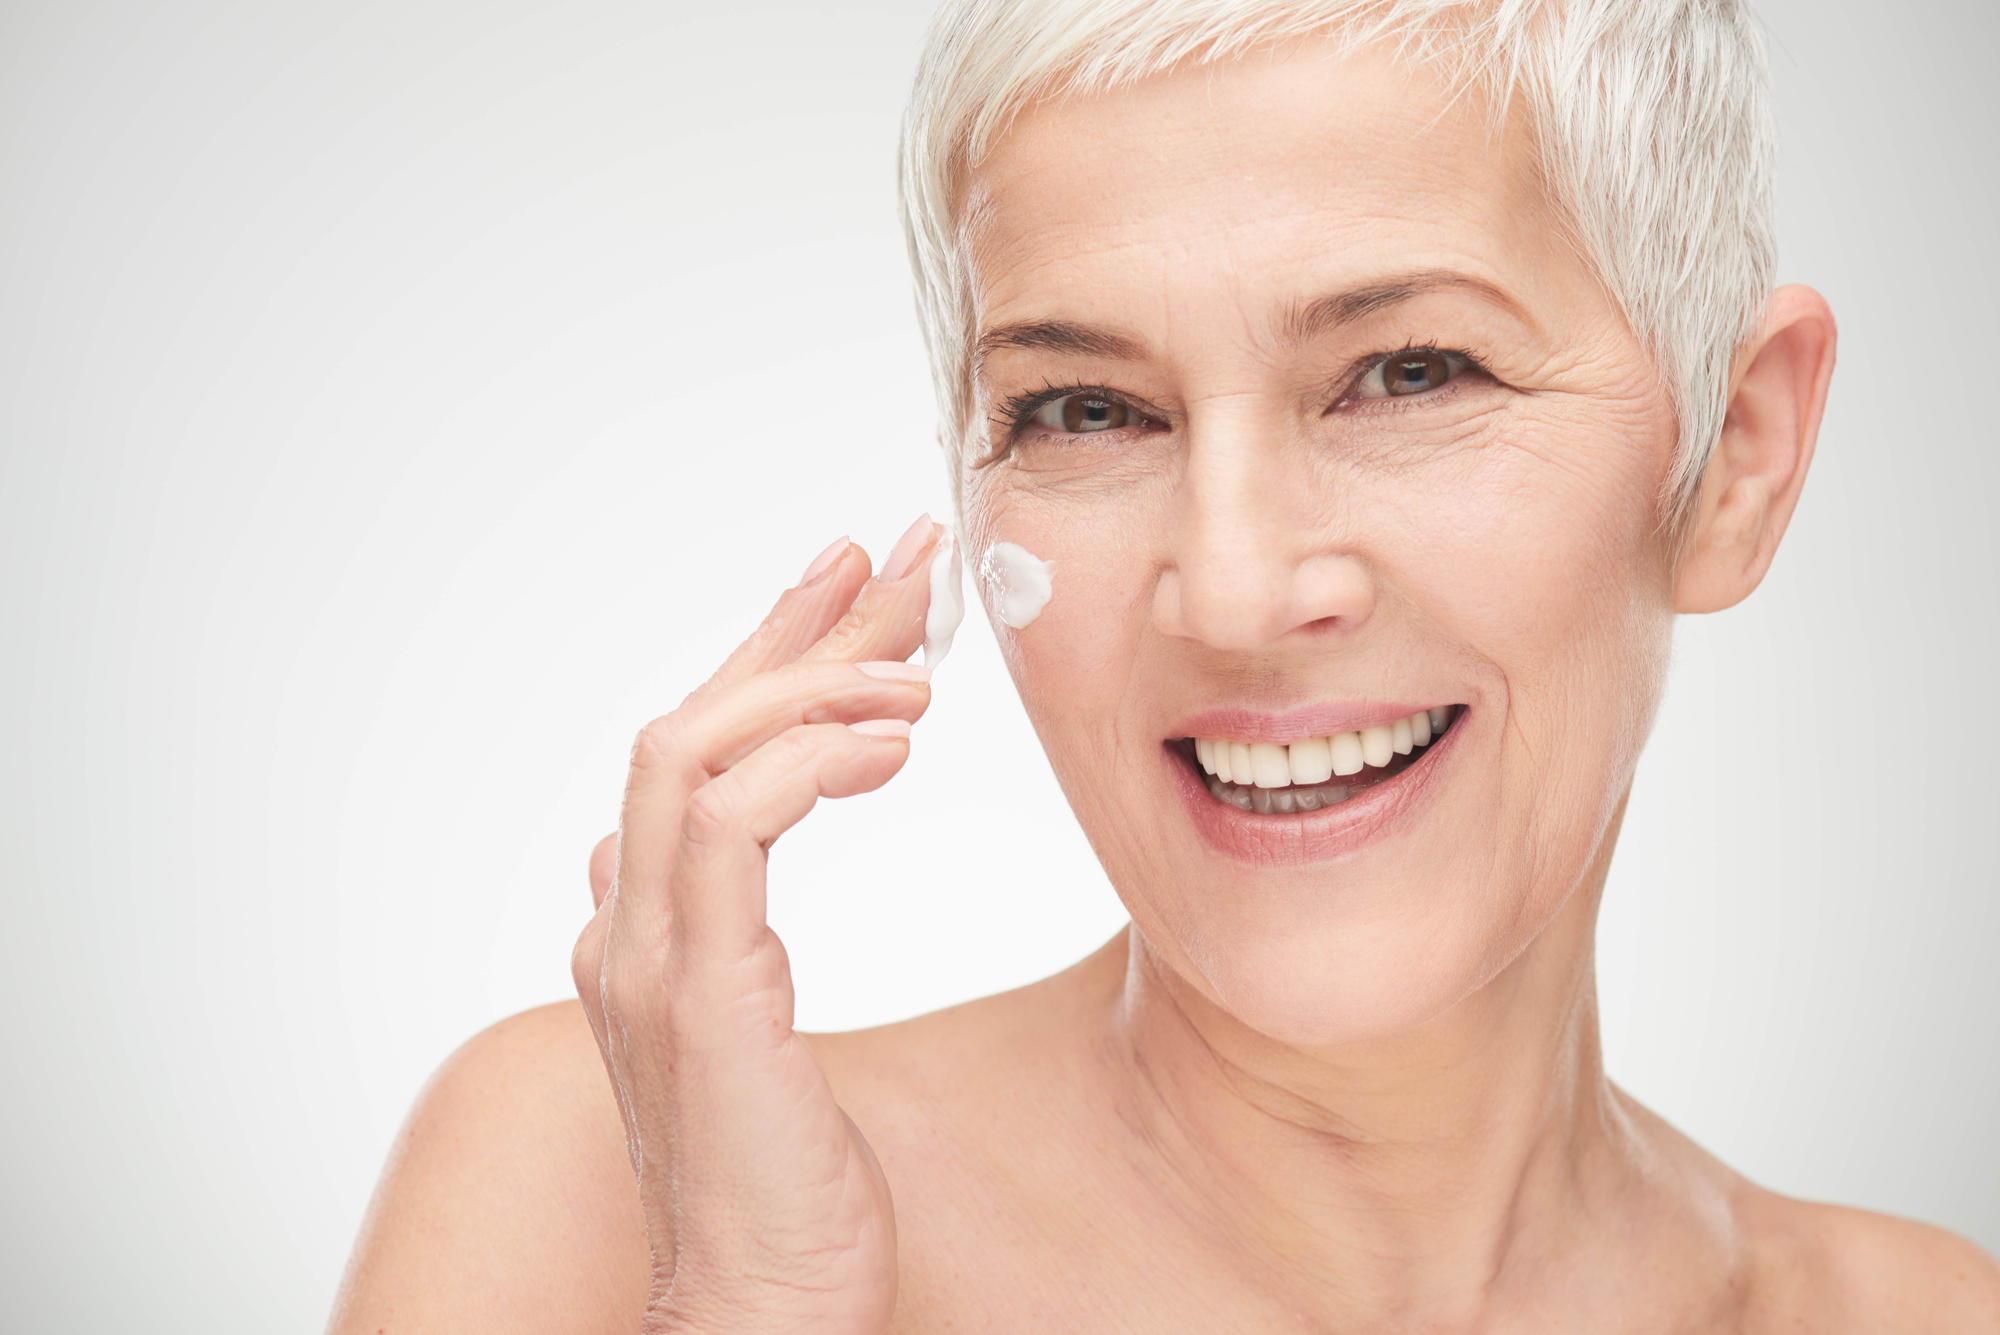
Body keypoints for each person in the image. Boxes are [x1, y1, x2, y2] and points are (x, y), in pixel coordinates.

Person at [328, 2, 2000, 1330]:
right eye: (1089, 410)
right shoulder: (610, 1196)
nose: (1239, 589)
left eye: (1411, 372)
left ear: (1734, 458)